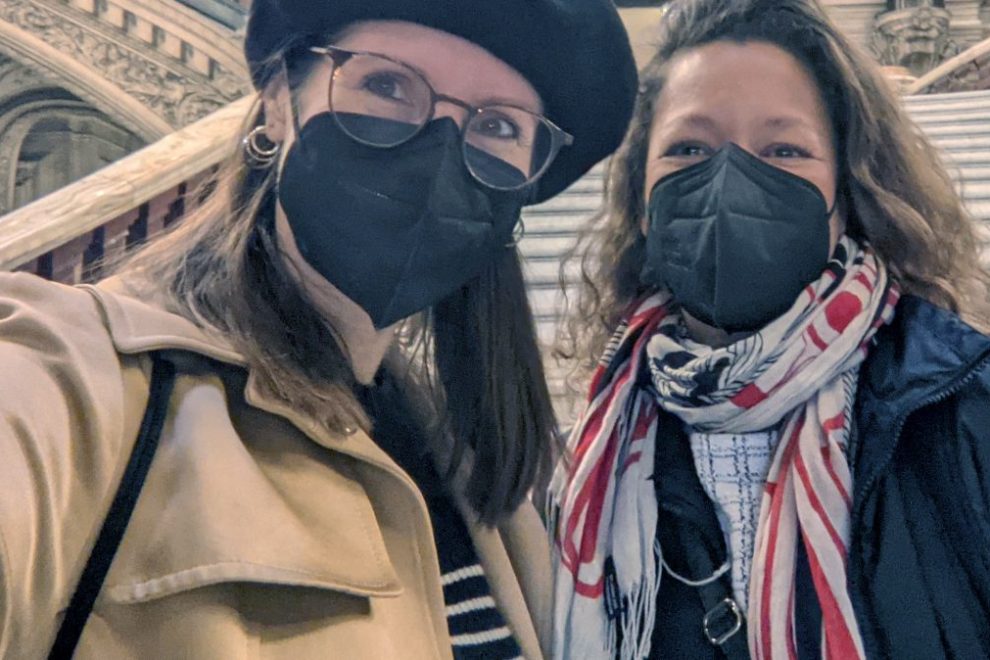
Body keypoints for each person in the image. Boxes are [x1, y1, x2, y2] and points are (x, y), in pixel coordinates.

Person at [0, 0, 637, 657]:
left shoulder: (469, 465)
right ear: (280, 102)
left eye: (499, 125)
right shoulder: (76, 378)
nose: (438, 151)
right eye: (386, 84)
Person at [549, 1, 990, 658]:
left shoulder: (963, 408)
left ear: (849, 190)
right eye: (689, 148)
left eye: (784, 150)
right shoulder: (591, 447)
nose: (731, 179)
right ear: (640, 196)